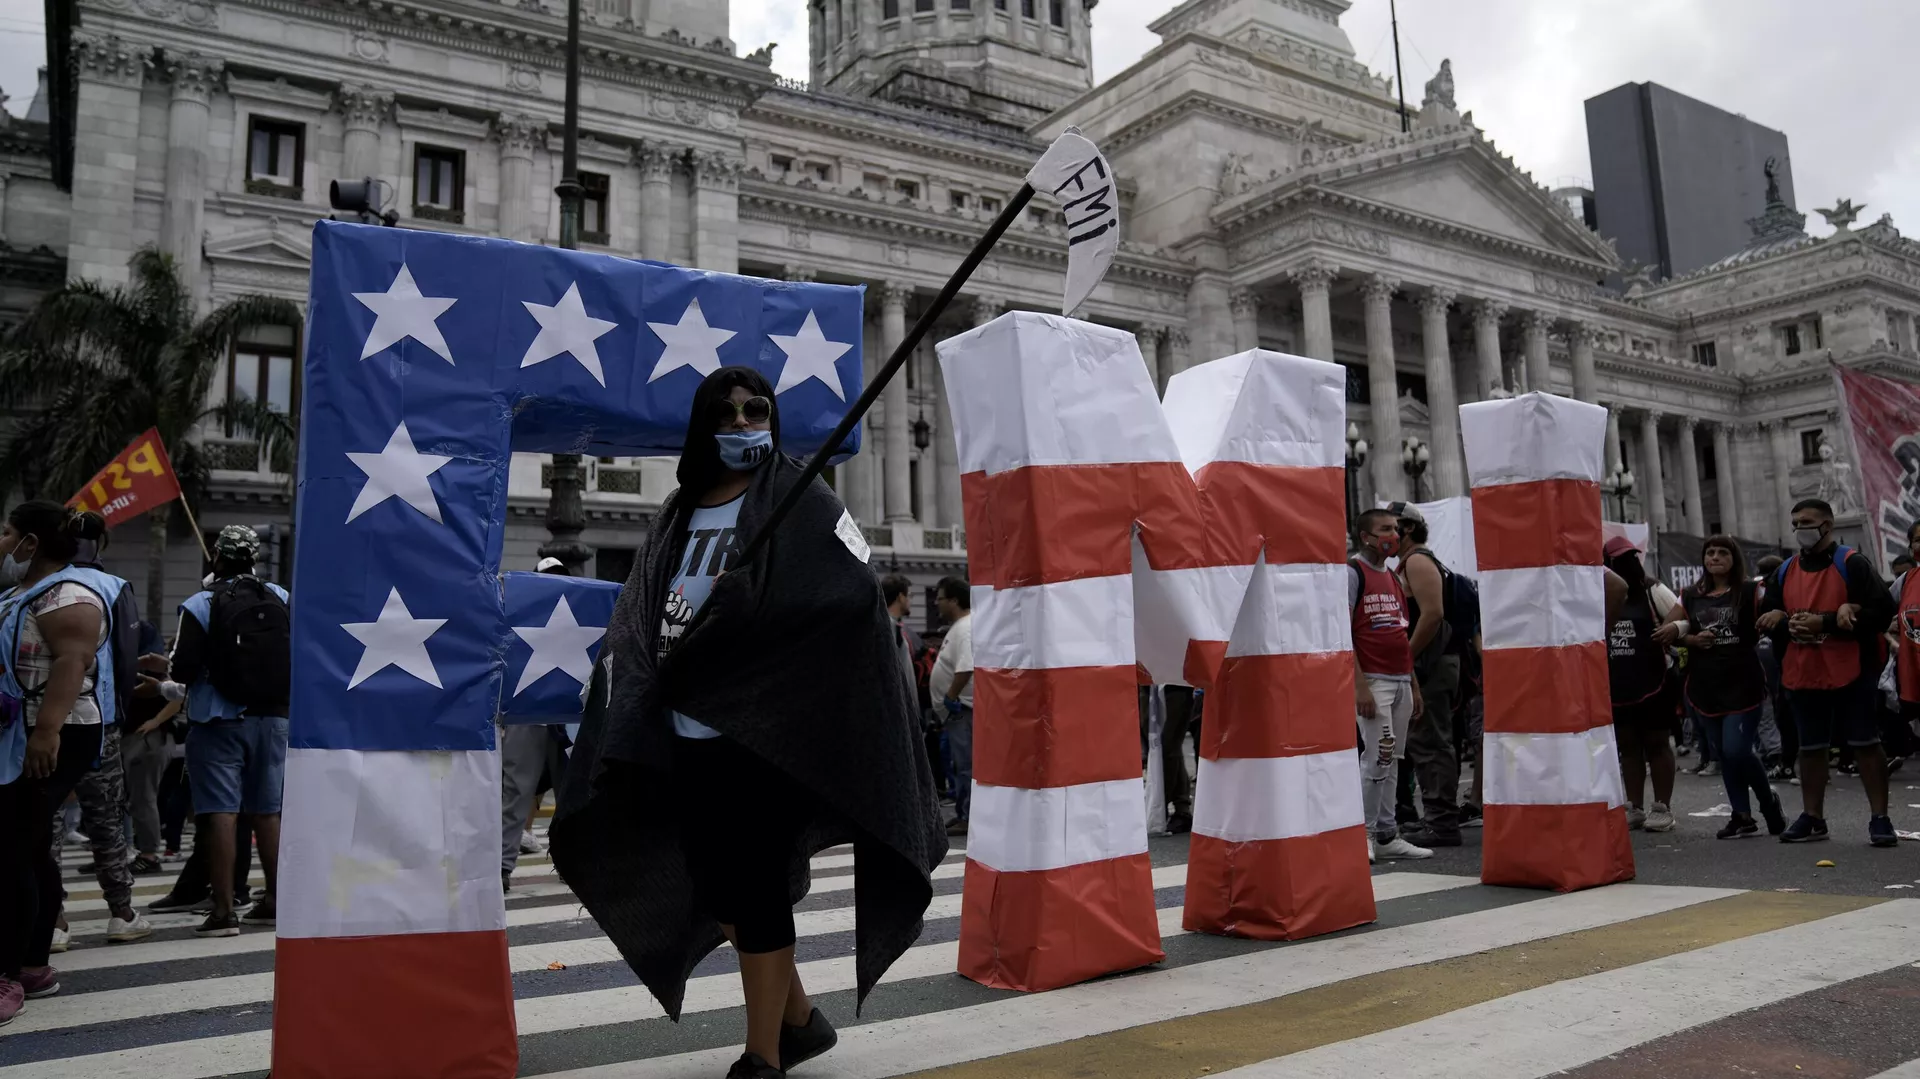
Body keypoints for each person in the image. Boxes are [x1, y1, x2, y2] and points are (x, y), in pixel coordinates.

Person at [550, 366, 945, 1079]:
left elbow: (854, 591)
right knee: (717, 887)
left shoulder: (800, 497)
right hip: (682, 733)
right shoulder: (680, 507)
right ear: (705, 424)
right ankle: (797, 1018)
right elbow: (644, 609)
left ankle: (762, 1053)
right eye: (725, 413)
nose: (740, 423)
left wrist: (749, 616)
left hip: (761, 736)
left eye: (754, 409)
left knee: (755, 887)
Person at [0, 503, 125, 1019]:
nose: (2, 540)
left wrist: (47, 732)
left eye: (7, 532)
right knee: (25, 845)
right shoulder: (21, 593)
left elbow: (74, 662)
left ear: (31, 541)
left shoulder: (69, 595)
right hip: (23, 730)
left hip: (55, 732)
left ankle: (9, 975)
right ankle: (32, 964)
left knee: (9, 847)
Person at [169, 525, 291, 935]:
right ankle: (277, 900)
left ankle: (223, 910)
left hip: (218, 718)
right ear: (255, 558)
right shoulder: (281, 597)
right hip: (274, 718)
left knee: (220, 811)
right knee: (268, 811)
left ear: (217, 557)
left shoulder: (200, 603)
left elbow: (182, 668)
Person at [1758, 499, 1896, 845]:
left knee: (1865, 743)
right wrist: (1782, 622)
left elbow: (1882, 612)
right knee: (1811, 747)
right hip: (1803, 670)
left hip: (1852, 669)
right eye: (1795, 523)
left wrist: (1830, 621)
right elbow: (1769, 613)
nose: (1799, 529)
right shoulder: (1785, 570)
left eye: (1806, 522)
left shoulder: (1852, 563)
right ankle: (1813, 817)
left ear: (1827, 526)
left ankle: (1880, 818)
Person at [1661, 536, 1786, 838]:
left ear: (1734, 559)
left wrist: (1776, 615)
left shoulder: (1751, 591)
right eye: (1710, 553)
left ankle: (1768, 802)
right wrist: (1690, 639)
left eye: (1722, 552)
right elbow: (1668, 629)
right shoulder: (1689, 595)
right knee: (1723, 752)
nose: (1715, 557)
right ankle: (1741, 815)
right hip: (1705, 686)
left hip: (1743, 683)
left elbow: (1781, 611)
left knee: (1736, 749)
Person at [1349, 509, 1430, 861]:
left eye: (1395, 528)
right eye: (1385, 529)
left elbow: (1400, 632)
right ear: (1366, 536)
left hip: (1399, 681)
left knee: (1393, 759)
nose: (1394, 534)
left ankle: (1386, 832)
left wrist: (1413, 684)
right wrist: (1359, 686)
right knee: (1376, 758)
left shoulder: (1395, 578)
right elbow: (1343, 632)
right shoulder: (1354, 573)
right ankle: (1364, 834)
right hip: (1374, 681)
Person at [1386, 502, 1463, 848]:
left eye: (1393, 528)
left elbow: (1432, 614)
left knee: (1431, 741)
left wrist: (1405, 655)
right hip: (1430, 664)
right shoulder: (1412, 562)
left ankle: (1442, 822)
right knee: (1425, 739)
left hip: (1430, 666)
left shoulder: (1417, 562)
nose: (1388, 534)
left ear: (1409, 530)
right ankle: (1436, 816)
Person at [500, 555, 576, 890]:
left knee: (571, 792)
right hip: (528, 710)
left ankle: (574, 865)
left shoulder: (580, 609)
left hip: (568, 713)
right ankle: (501, 866)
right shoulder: (520, 610)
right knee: (515, 789)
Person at [1606, 536, 1680, 832]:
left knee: (1656, 743)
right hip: (1617, 684)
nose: (1629, 564)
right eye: (1620, 560)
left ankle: (1662, 807)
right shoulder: (1600, 592)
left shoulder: (1653, 591)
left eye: (1631, 558)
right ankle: (1634, 807)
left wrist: (1673, 629)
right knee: (1628, 746)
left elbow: (1683, 616)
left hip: (1655, 682)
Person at [928, 577, 974, 837]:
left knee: (964, 764)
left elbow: (966, 666)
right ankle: (963, 812)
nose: (937, 603)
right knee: (959, 764)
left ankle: (967, 816)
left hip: (962, 711)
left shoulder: (965, 627)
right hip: (958, 712)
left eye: (941, 598)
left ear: (954, 600)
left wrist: (951, 697)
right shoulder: (960, 627)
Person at [880, 574, 923, 692]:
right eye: (909, 596)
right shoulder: (890, 628)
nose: (910, 600)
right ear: (900, 597)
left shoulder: (888, 625)